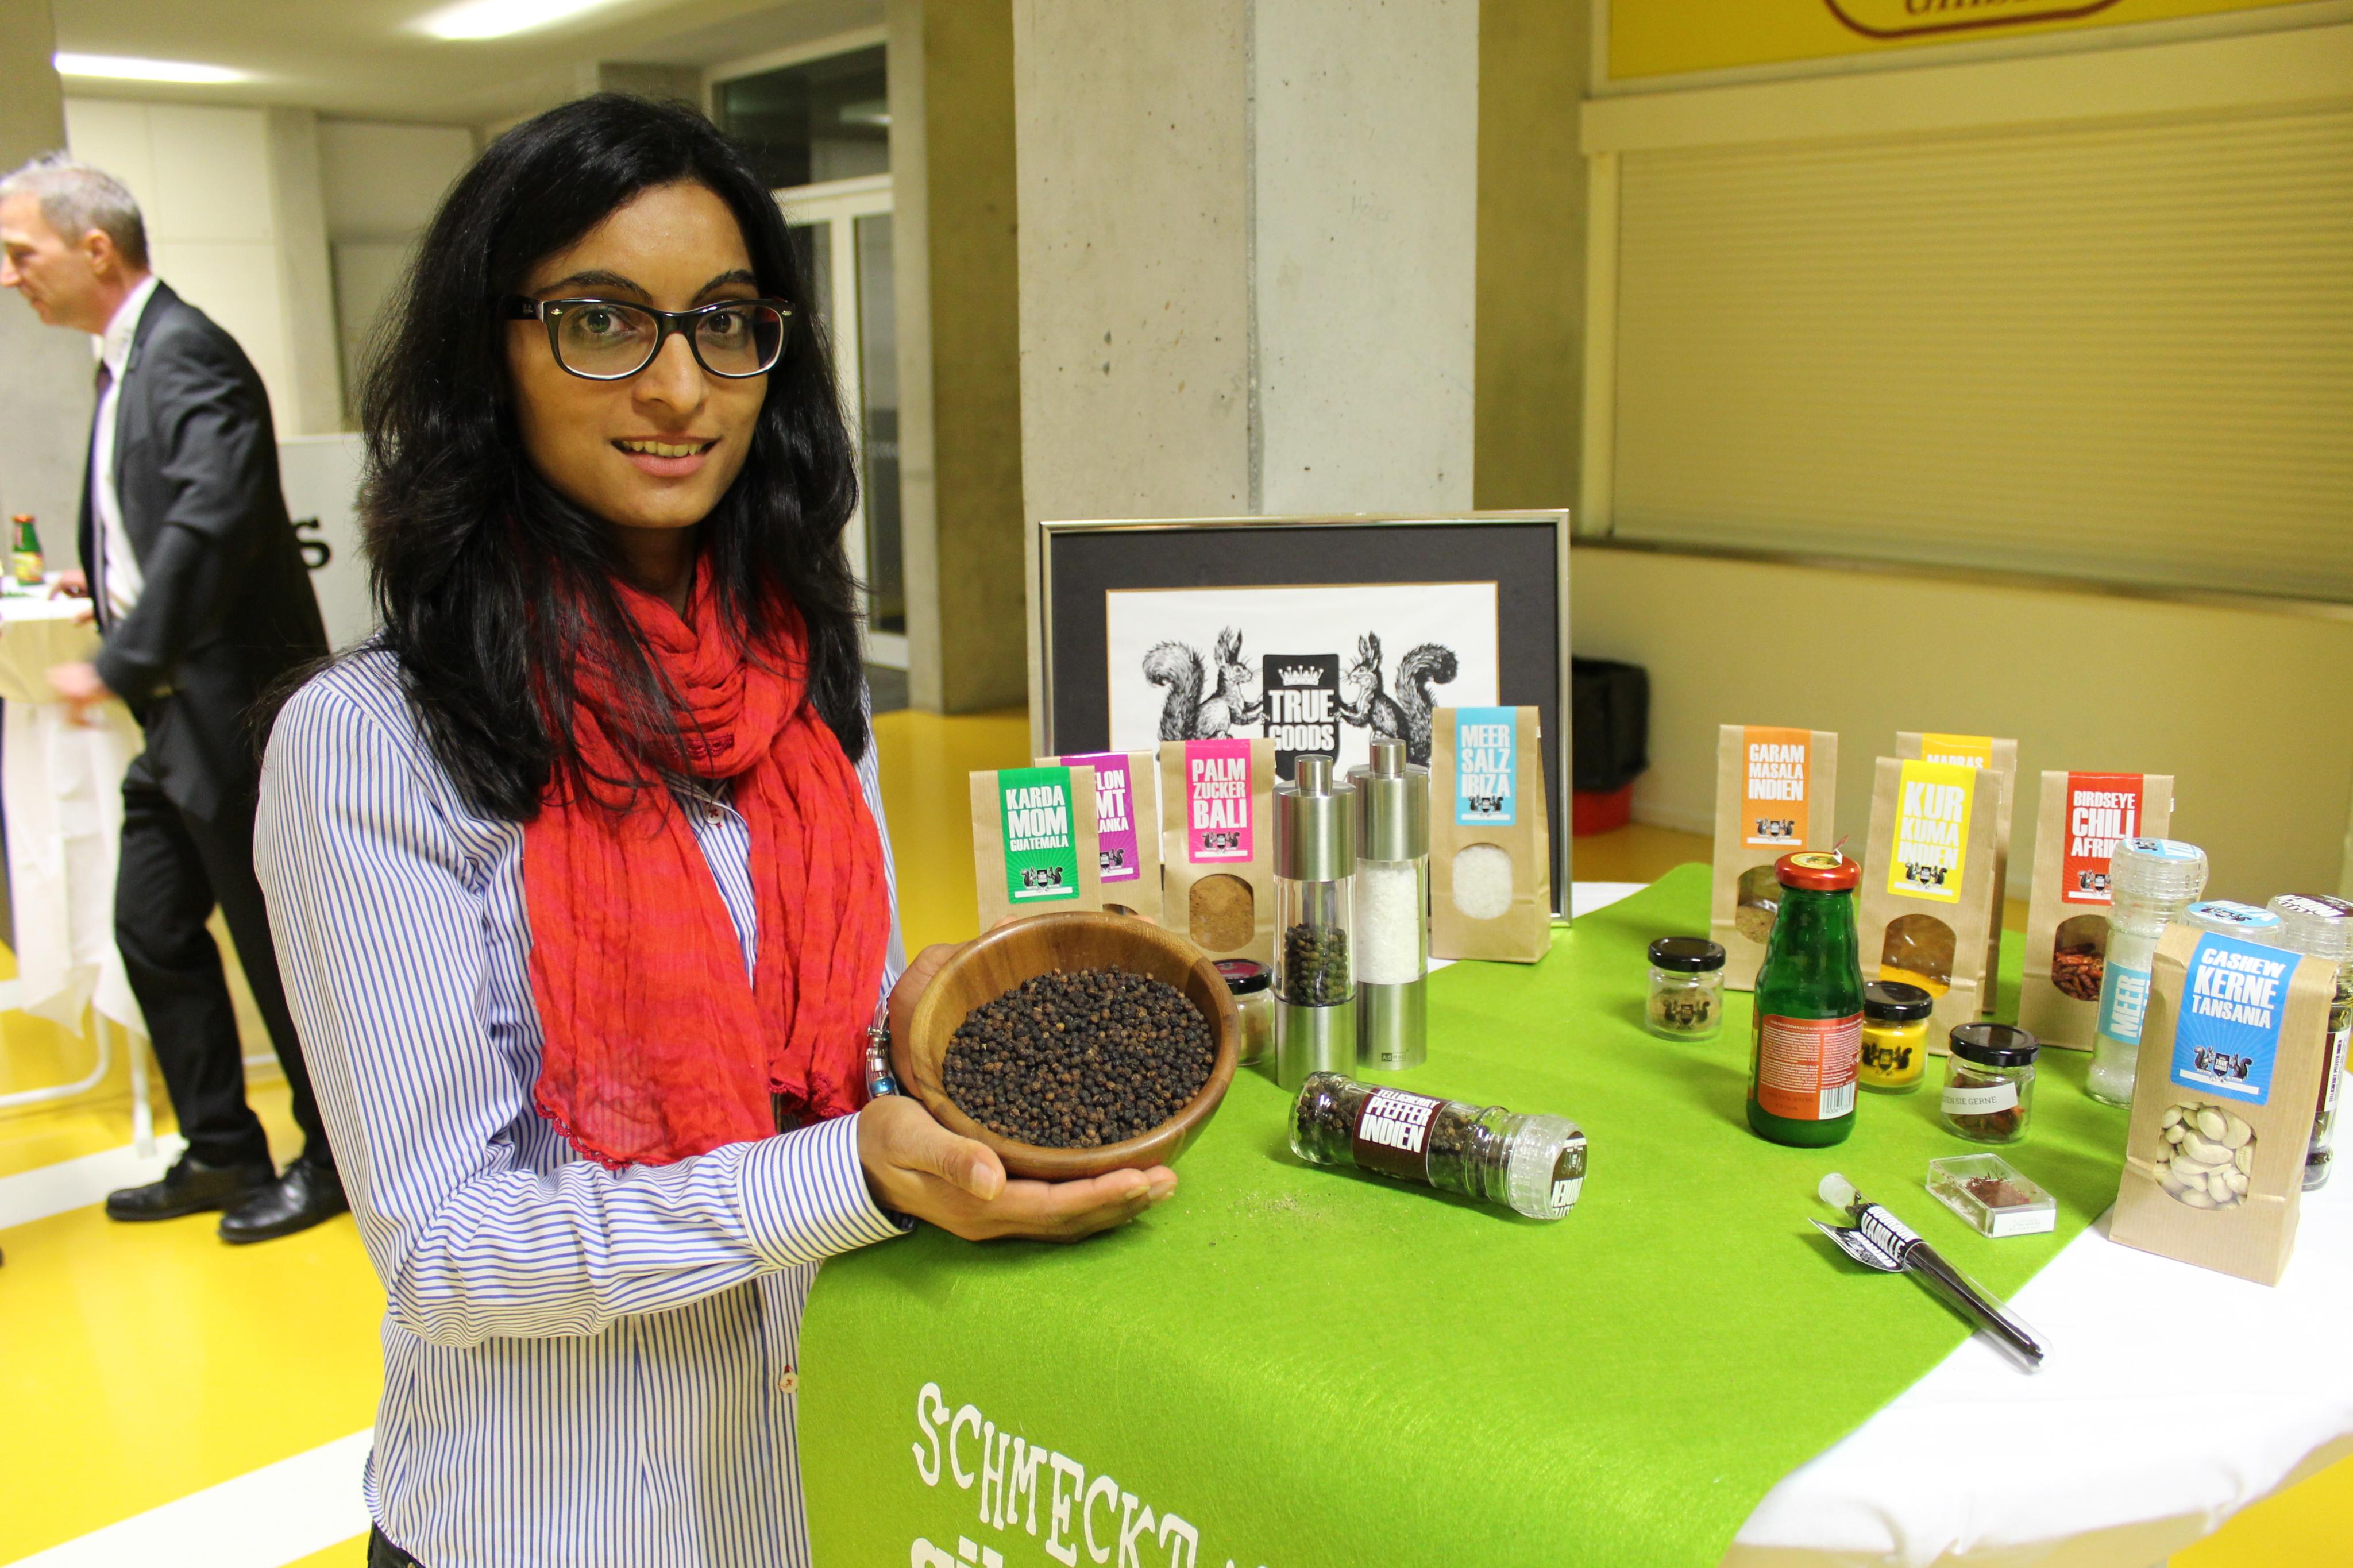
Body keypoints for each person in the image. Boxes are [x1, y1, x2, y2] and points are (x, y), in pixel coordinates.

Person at [252, 96, 1176, 1568]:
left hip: (823, 1487)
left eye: (726, 324)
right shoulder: (374, 742)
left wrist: (946, 1047)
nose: (681, 387)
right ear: (489, 350)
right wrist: (851, 1175)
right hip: (553, 1522)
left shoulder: (802, 681)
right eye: (602, 322)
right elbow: (444, 1251)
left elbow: (828, 1056)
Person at [0, 155, 341, 1242]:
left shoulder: (187, 349)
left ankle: (334, 1157)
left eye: (22, 252)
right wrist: (100, 583)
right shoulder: (126, 361)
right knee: (150, 926)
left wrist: (116, 658)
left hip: (233, 710)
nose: (11, 275)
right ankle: (222, 1147)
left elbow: (213, 518)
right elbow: (160, 516)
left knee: (278, 949)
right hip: (177, 713)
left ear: (95, 248)